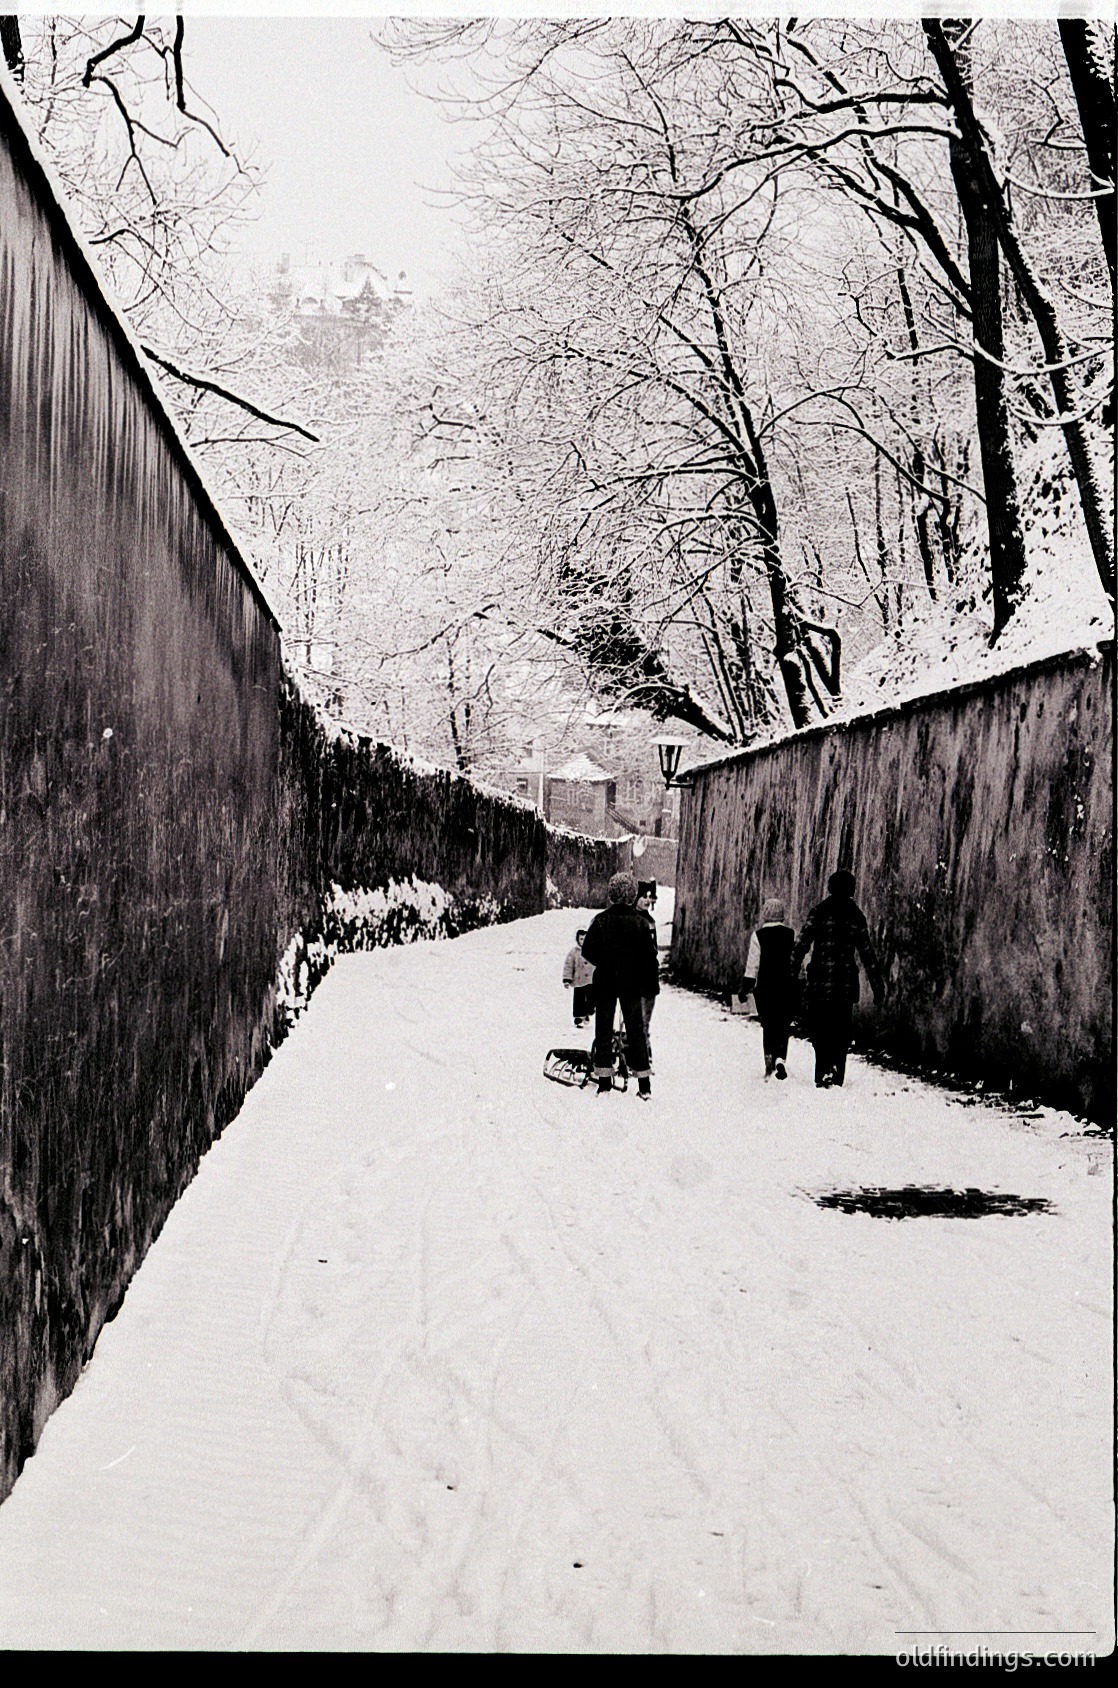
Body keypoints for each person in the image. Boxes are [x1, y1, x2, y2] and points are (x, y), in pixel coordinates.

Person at [790, 869, 885, 1089]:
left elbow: (801, 944)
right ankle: (836, 1070)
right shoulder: (856, 915)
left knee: (819, 1027)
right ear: (851, 889)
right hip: (845, 983)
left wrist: (791, 973)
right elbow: (867, 953)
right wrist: (877, 985)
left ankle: (823, 1068)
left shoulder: (819, 911)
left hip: (820, 981)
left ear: (830, 887)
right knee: (841, 1029)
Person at [580, 871, 659, 1099]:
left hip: (605, 981)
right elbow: (649, 956)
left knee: (603, 1029)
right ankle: (644, 1084)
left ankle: (604, 1081)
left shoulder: (601, 920)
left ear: (612, 894)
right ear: (632, 894)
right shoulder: (641, 923)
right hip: (631, 983)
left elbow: (587, 950)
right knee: (635, 1031)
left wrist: (606, 963)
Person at [741, 897, 797, 1081]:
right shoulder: (791, 934)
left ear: (765, 915)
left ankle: (769, 1062)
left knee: (769, 1025)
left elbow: (753, 966)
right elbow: (799, 962)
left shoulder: (758, 936)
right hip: (787, 988)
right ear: (782, 915)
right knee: (783, 1024)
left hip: (765, 989)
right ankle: (781, 1058)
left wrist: (745, 988)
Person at [635, 880, 659, 1067]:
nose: (647, 900)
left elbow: (653, 949)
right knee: (636, 1020)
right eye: (644, 896)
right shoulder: (631, 919)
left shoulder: (650, 921)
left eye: (649, 897)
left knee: (645, 1020)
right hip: (635, 975)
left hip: (649, 976)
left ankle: (643, 1054)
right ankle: (638, 1054)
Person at [562, 928, 596, 1027]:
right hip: (578, 980)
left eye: (585, 939)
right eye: (581, 939)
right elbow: (568, 966)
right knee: (578, 1000)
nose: (583, 941)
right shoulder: (574, 952)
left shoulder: (594, 950)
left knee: (591, 1000)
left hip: (591, 981)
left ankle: (587, 1012)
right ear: (577, 939)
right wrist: (567, 979)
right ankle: (578, 1018)